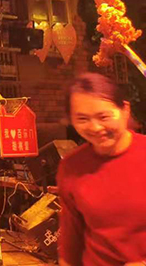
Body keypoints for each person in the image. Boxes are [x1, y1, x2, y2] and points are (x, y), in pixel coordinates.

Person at [57, 72, 146, 266]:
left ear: (125, 110)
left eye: (103, 116)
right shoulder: (71, 166)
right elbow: (71, 238)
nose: (95, 127)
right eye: (82, 119)